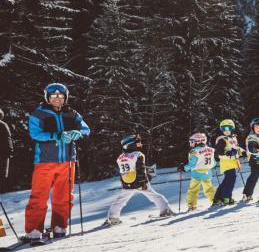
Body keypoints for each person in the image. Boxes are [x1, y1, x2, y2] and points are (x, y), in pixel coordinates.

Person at [24, 84, 90, 241]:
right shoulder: (39, 113)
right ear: (47, 97)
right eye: (53, 96)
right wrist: (58, 136)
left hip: (68, 161)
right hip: (45, 161)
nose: (57, 99)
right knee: (39, 196)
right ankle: (34, 229)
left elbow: (86, 130)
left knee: (65, 196)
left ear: (65, 98)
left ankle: (59, 226)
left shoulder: (72, 113)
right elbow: (35, 134)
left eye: (60, 96)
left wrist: (77, 133)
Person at [104, 134, 173, 226]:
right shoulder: (138, 155)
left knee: (120, 200)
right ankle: (165, 210)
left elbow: (121, 171)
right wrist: (143, 182)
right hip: (139, 182)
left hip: (127, 182)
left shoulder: (120, 157)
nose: (140, 144)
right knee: (154, 196)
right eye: (138, 143)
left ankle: (112, 218)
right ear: (131, 145)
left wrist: (124, 183)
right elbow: (140, 169)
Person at [183, 132, 216, 211]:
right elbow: (214, 163)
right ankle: (215, 201)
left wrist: (184, 168)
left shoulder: (195, 151)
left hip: (197, 173)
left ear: (198, 141)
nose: (191, 144)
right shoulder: (211, 149)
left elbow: (192, 164)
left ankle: (192, 205)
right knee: (209, 189)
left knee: (193, 189)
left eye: (192, 142)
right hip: (207, 172)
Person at [212, 119, 242, 206]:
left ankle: (217, 198)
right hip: (226, 163)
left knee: (227, 180)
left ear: (232, 128)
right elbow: (218, 152)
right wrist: (227, 153)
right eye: (224, 128)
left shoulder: (233, 138)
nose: (226, 130)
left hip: (232, 162)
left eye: (228, 128)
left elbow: (237, 149)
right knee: (231, 179)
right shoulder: (222, 140)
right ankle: (227, 197)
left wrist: (238, 153)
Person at [0, 108, 12, 194]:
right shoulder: (3, 125)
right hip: (4, 154)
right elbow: (8, 140)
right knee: (3, 175)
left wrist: (8, 152)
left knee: (2, 175)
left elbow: (8, 140)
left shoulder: (3, 125)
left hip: (3, 154)